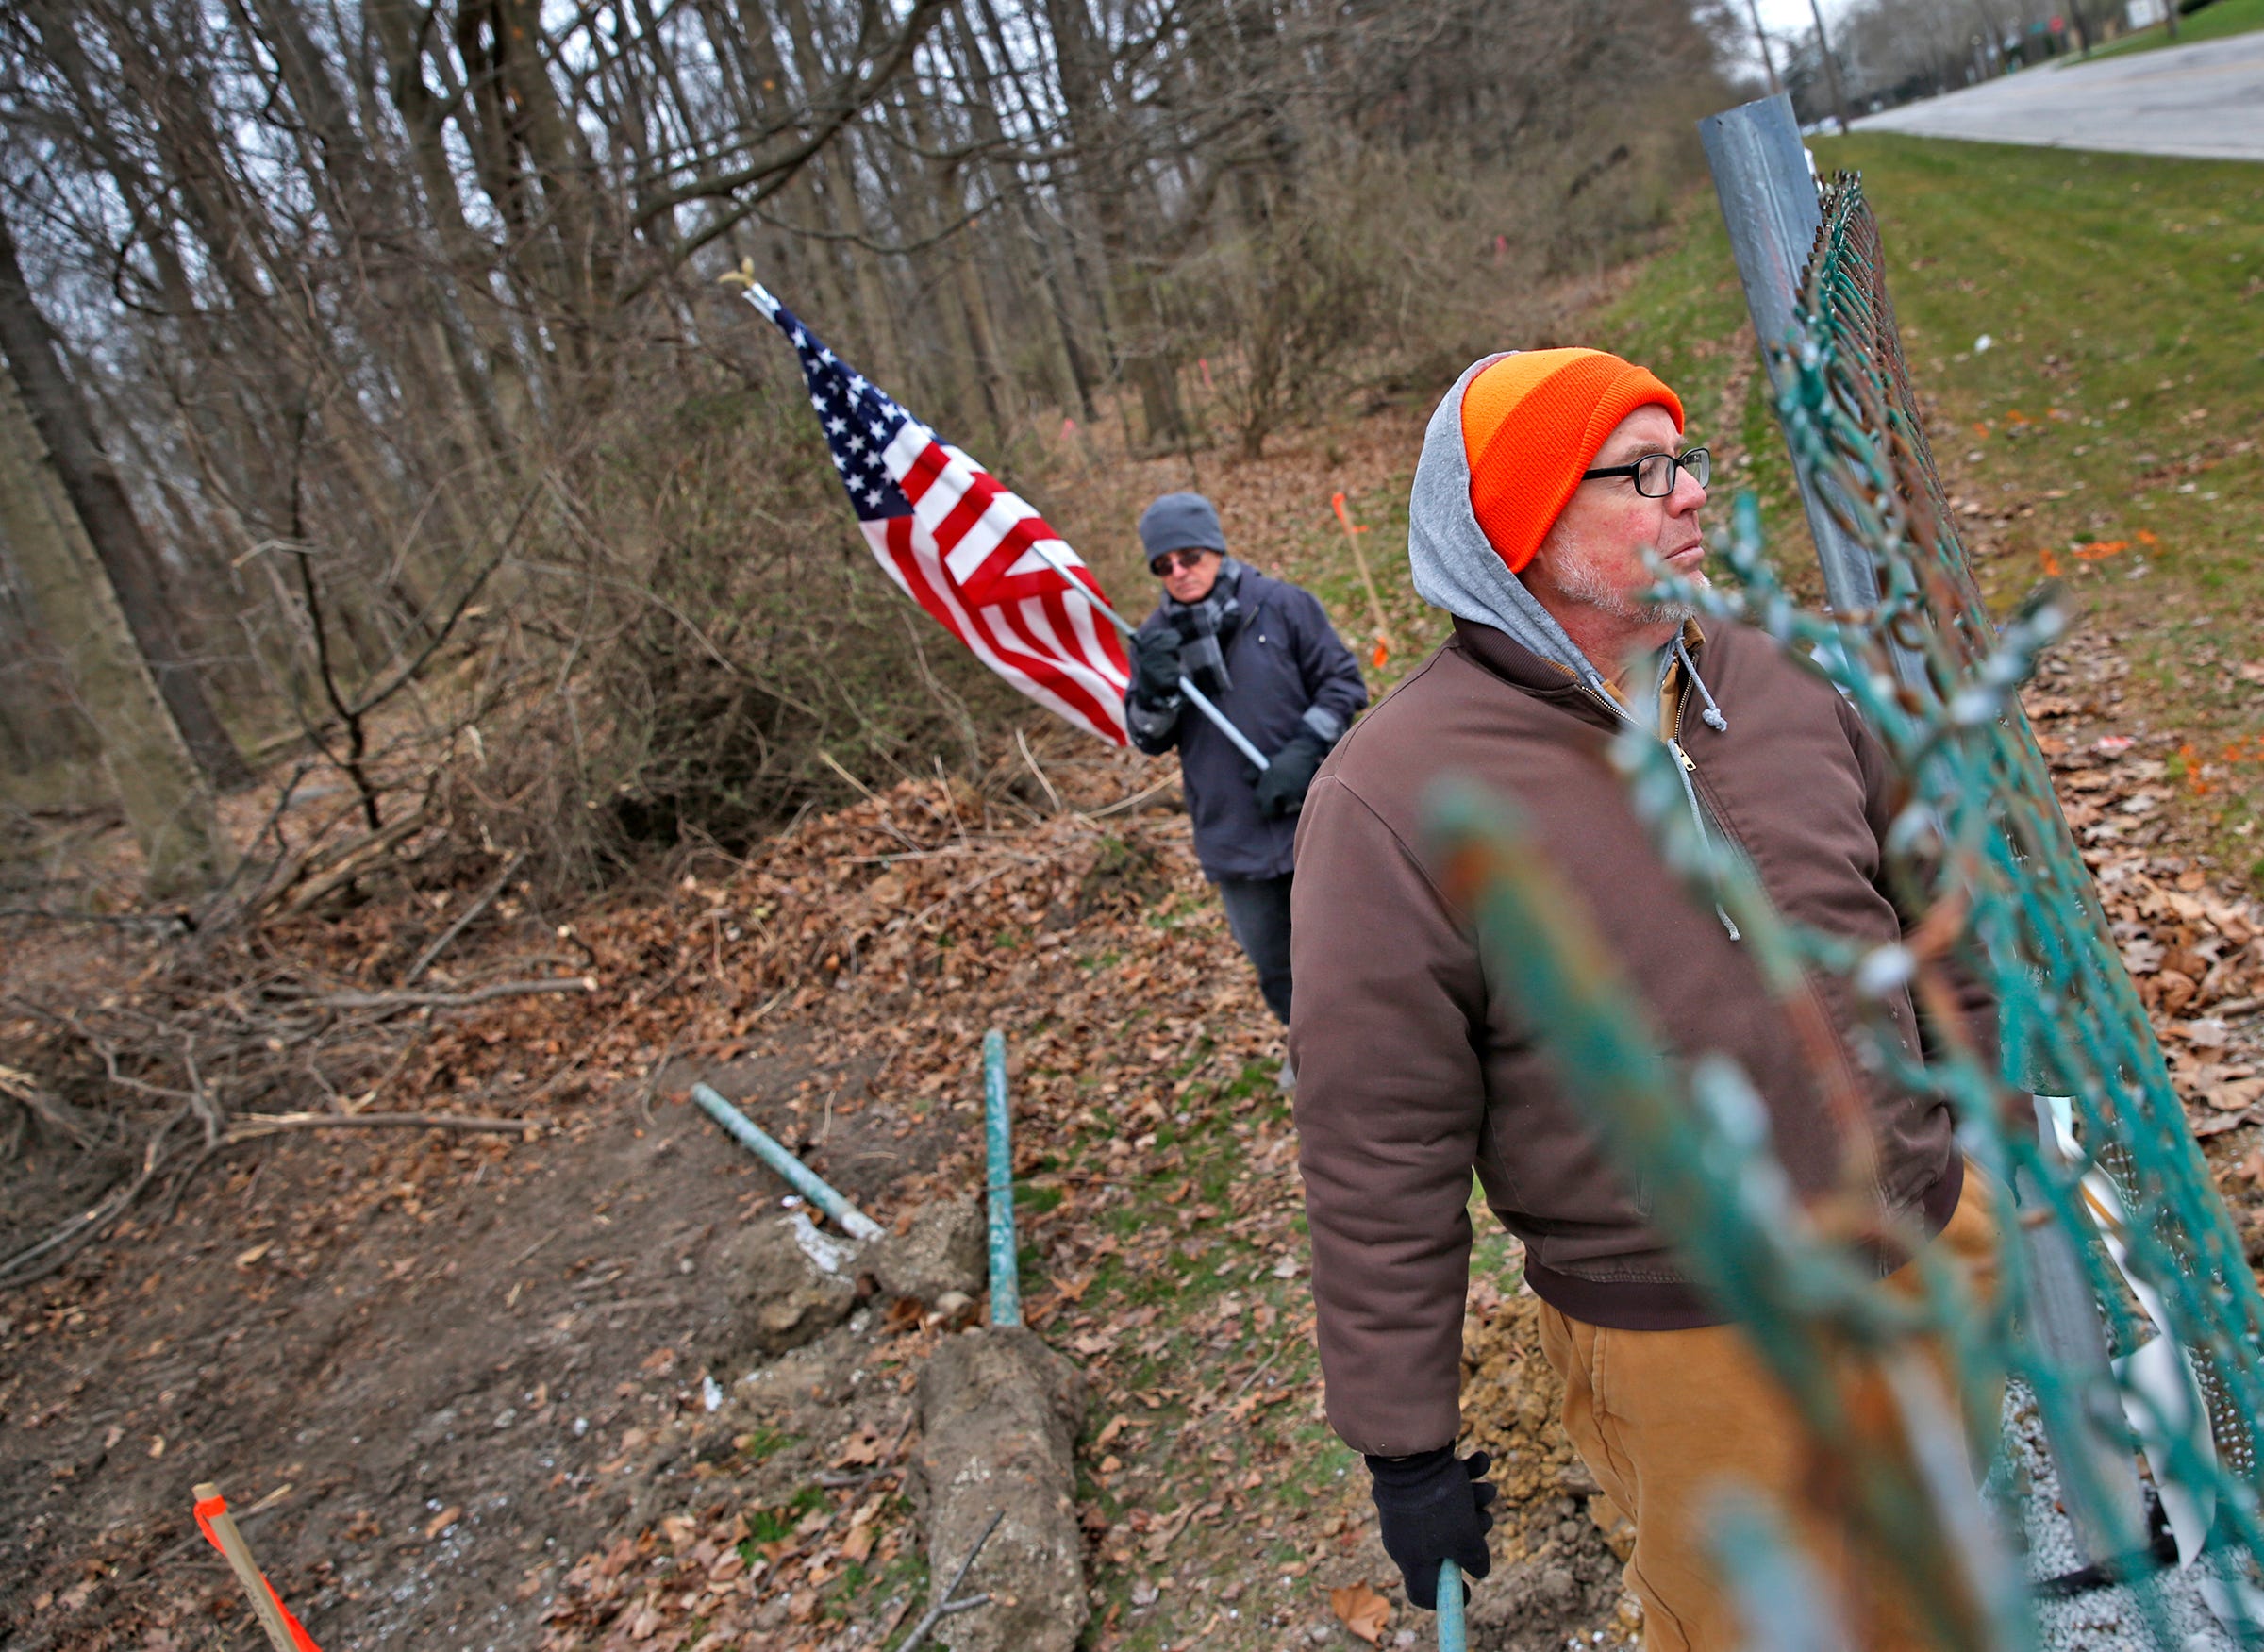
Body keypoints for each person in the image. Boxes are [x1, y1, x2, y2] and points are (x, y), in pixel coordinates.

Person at [1287, 349, 1999, 1647]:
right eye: (1641, 473)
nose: (1691, 498)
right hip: (1693, 1341)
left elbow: (1932, 908)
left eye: (1690, 461)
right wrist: (1408, 1443)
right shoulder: (1393, 799)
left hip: (1921, 1250)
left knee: (1949, 1586)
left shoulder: (1779, 674)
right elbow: (1378, 1141)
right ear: (1524, 525)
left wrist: (2007, 1127)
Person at [1124, 492, 1368, 1048]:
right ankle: (1310, 1048)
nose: (1179, 573)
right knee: (1276, 964)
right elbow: (1145, 737)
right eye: (1164, 566)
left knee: (1346, 944)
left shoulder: (1281, 605)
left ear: (1214, 547)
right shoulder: (1155, 642)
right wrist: (1159, 692)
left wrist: (1305, 748)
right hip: (1232, 837)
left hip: (1314, 815)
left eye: (1189, 557)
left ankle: (1372, 1041)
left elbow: (1342, 683)